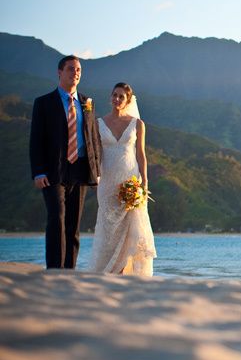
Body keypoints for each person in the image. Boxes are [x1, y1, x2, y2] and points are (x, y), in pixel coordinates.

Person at [30, 55, 102, 269]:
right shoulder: (43, 103)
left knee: (73, 223)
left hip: (80, 169)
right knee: (57, 218)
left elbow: (92, 138)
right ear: (59, 72)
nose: (76, 73)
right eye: (71, 69)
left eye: (79, 69)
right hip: (53, 170)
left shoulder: (87, 102)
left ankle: (69, 270)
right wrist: (38, 171)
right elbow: (36, 140)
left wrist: (95, 169)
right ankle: (54, 269)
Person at [89, 82, 156, 276]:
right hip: (108, 181)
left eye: (121, 97)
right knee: (108, 229)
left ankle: (126, 272)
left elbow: (141, 154)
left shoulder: (137, 124)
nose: (117, 99)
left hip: (130, 180)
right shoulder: (99, 123)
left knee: (131, 228)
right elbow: (97, 154)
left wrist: (144, 182)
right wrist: (95, 178)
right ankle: (107, 271)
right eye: (114, 95)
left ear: (127, 100)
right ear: (110, 97)